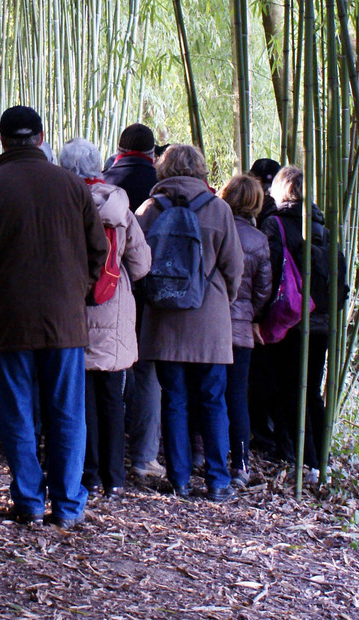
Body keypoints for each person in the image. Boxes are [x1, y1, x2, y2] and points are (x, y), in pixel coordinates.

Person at [0, 106, 108, 528]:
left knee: (16, 411)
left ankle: (28, 500)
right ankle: (69, 504)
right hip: (64, 320)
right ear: (41, 138)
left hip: (6, 319)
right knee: (67, 412)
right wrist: (77, 291)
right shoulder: (72, 187)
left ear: (2, 141)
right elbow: (100, 251)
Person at [135, 144, 243, 502]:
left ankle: (179, 479)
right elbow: (234, 267)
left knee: (174, 399)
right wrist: (220, 301)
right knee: (213, 400)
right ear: (200, 170)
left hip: (164, 318)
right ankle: (217, 481)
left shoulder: (150, 209)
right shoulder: (219, 209)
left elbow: (135, 263)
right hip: (209, 319)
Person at [58, 138, 150, 498]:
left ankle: (89, 473)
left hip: (72, 305)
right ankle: (115, 477)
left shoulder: (60, 200)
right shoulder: (120, 206)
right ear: (98, 164)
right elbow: (142, 265)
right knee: (112, 396)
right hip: (112, 305)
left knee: (80, 399)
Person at [254, 165, 348, 483]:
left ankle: (299, 458)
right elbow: (341, 281)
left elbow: (268, 276)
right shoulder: (324, 227)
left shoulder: (274, 224)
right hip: (321, 322)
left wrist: (258, 317)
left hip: (288, 321)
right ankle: (321, 460)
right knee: (312, 391)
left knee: (287, 389)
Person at [104, 124, 166, 481]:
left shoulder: (102, 180)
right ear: (151, 151)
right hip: (150, 291)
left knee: (108, 372)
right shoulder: (157, 185)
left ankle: (102, 450)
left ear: (119, 147)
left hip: (105, 288)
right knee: (145, 371)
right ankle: (144, 454)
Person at [219, 174, 274, 488]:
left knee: (209, 392)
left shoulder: (216, 227)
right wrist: (250, 315)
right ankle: (240, 464)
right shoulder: (258, 239)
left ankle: (204, 454)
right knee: (237, 395)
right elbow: (263, 290)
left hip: (211, 326)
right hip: (240, 331)